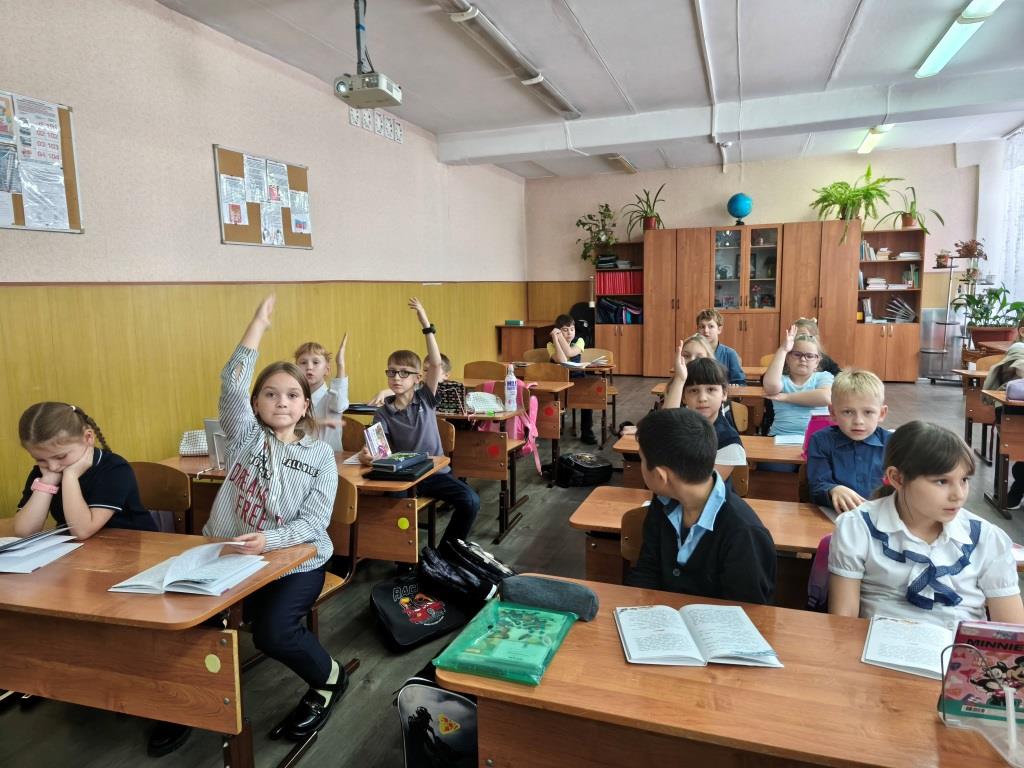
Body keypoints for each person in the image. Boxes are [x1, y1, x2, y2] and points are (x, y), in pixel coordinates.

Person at [173, 295, 345, 754]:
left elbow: (314, 522)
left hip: (297, 559)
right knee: (187, 618)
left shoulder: (320, 456)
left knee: (273, 632)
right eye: (270, 393)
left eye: (292, 395)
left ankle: (329, 677)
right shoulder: (246, 437)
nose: (281, 401)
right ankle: (185, 700)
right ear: (255, 404)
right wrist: (257, 326)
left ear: (305, 406)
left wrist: (270, 539)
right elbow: (231, 383)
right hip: (231, 555)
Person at [829, 421, 1024, 628]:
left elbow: (1012, 630)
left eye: (964, 480)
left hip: (960, 646)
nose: (958, 495)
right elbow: (844, 622)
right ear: (897, 478)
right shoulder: (857, 527)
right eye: (942, 481)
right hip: (878, 642)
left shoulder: (987, 538)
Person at [623, 407, 775, 604]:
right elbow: (647, 570)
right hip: (662, 617)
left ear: (661, 476)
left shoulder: (744, 532)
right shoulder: (663, 501)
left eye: (642, 460)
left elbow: (746, 611)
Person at [361, 299, 479, 545]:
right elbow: (380, 452)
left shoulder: (425, 398)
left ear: (417, 378)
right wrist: (368, 456)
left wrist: (426, 324)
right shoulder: (383, 412)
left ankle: (447, 551)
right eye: (392, 372)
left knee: (470, 501)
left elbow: (435, 364)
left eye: (404, 373)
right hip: (403, 476)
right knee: (396, 513)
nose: (397, 377)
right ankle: (403, 559)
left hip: (434, 472)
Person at [15, 402, 156, 539]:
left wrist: (70, 476)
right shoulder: (45, 472)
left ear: (88, 438)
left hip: (134, 546)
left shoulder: (115, 469)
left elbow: (81, 531)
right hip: (85, 550)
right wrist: (47, 482)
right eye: (40, 459)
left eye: (61, 456)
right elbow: (24, 532)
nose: (53, 467)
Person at [807, 369, 890, 513]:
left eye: (868, 412)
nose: (858, 421)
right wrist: (833, 489)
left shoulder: (893, 443)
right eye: (848, 412)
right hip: (837, 516)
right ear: (833, 413)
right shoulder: (820, 441)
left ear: (881, 413)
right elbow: (816, 487)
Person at [664, 343, 746, 482]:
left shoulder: (729, 442)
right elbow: (664, 428)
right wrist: (679, 379)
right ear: (684, 397)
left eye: (711, 390)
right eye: (694, 390)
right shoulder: (680, 423)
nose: (702, 398)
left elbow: (701, 487)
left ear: (724, 394)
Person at [763, 324, 833, 436]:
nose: (803, 359)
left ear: (817, 361)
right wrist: (783, 350)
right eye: (797, 354)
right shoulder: (781, 380)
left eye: (809, 356)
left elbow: (825, 397)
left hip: (818, 437)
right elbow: (771, 386)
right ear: (788, 358)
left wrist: (786, 397)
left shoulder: (823, 377)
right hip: (781, 436)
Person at [294, 336, 349, 451]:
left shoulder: (331, 397)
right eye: (303, 363)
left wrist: (340, 365)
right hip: (298, 456)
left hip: (331, 458)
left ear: (327, 370)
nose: (309, 367)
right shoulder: (293, 399)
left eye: (315, 362)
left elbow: (340, 404)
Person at [548, 313, 596, 444]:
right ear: (558, 331)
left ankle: (587, 432)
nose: (570, 333)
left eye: (572, 329)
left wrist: (559, 337)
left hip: (577, 380)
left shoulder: (580, 341)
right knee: (546, 398)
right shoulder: (550, 345)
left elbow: (569, 352)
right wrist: (555, 339)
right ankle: (550, 430)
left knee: (587, 399)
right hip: (559, 381)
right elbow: (562, 360)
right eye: (565, 330)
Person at [369, 354, 450, 407]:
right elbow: (404, 390)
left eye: (433, 371)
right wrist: (384, 393)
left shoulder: (453, 390)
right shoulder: (420, 386)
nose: (428, 374)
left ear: (446, 375)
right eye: (425, 370)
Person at [696, 308, 745, 385]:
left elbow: (740, 383)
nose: (706, 331)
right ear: (697, 330)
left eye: (711, 326)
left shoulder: (730, 354)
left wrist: (735, 386)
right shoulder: (692, 353)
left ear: (719, 329)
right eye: (702, 327)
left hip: (724, 392)